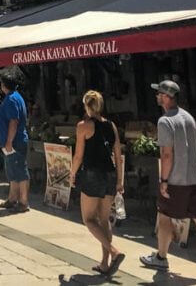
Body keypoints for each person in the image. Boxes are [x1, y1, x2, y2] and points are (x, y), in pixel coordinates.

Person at [140, 80, 196, 282]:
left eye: (159, 93)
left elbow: (167, 154)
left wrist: (164, 180)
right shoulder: (188, 117)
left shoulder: (164, 121)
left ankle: (161, 257)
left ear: (167, 96)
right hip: (195, 177)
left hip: (176, 180)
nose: (156, 96)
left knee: (164, 216)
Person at [71, 90, 125, 277]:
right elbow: (118, 156)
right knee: (104, 220)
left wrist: (72, 173)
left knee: (89, 219)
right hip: (110, 174)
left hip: (92, 173)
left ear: (86, 105)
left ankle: (113, 251)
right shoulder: (112, 126)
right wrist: (119, 180)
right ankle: (104, 263)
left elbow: (78, 155)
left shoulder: (83, 126)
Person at [0, 71, 29, 213]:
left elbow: (13, 122)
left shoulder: (11, 100)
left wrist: (9, 141)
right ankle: (12, 198)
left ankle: (23, 201)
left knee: (20, 171)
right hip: (12, 142)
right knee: (12, 172)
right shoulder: (13, 97)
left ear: (4, 85)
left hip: (15, 142)